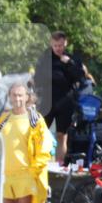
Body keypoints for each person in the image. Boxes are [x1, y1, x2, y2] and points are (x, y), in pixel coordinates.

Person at [34, 31, 87, 165]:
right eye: (56, 45)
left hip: (65, 101)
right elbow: (37, 78)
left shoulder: (72, 58)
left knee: (62, 135)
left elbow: (81, 77)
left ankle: (60, 163)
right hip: (47, 100)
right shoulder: (44, 58)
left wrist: (69, 64)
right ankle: (39, 161)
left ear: (65, 43)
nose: (58, 48)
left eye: (61, 45)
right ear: (51, 44)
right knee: (40, 133)